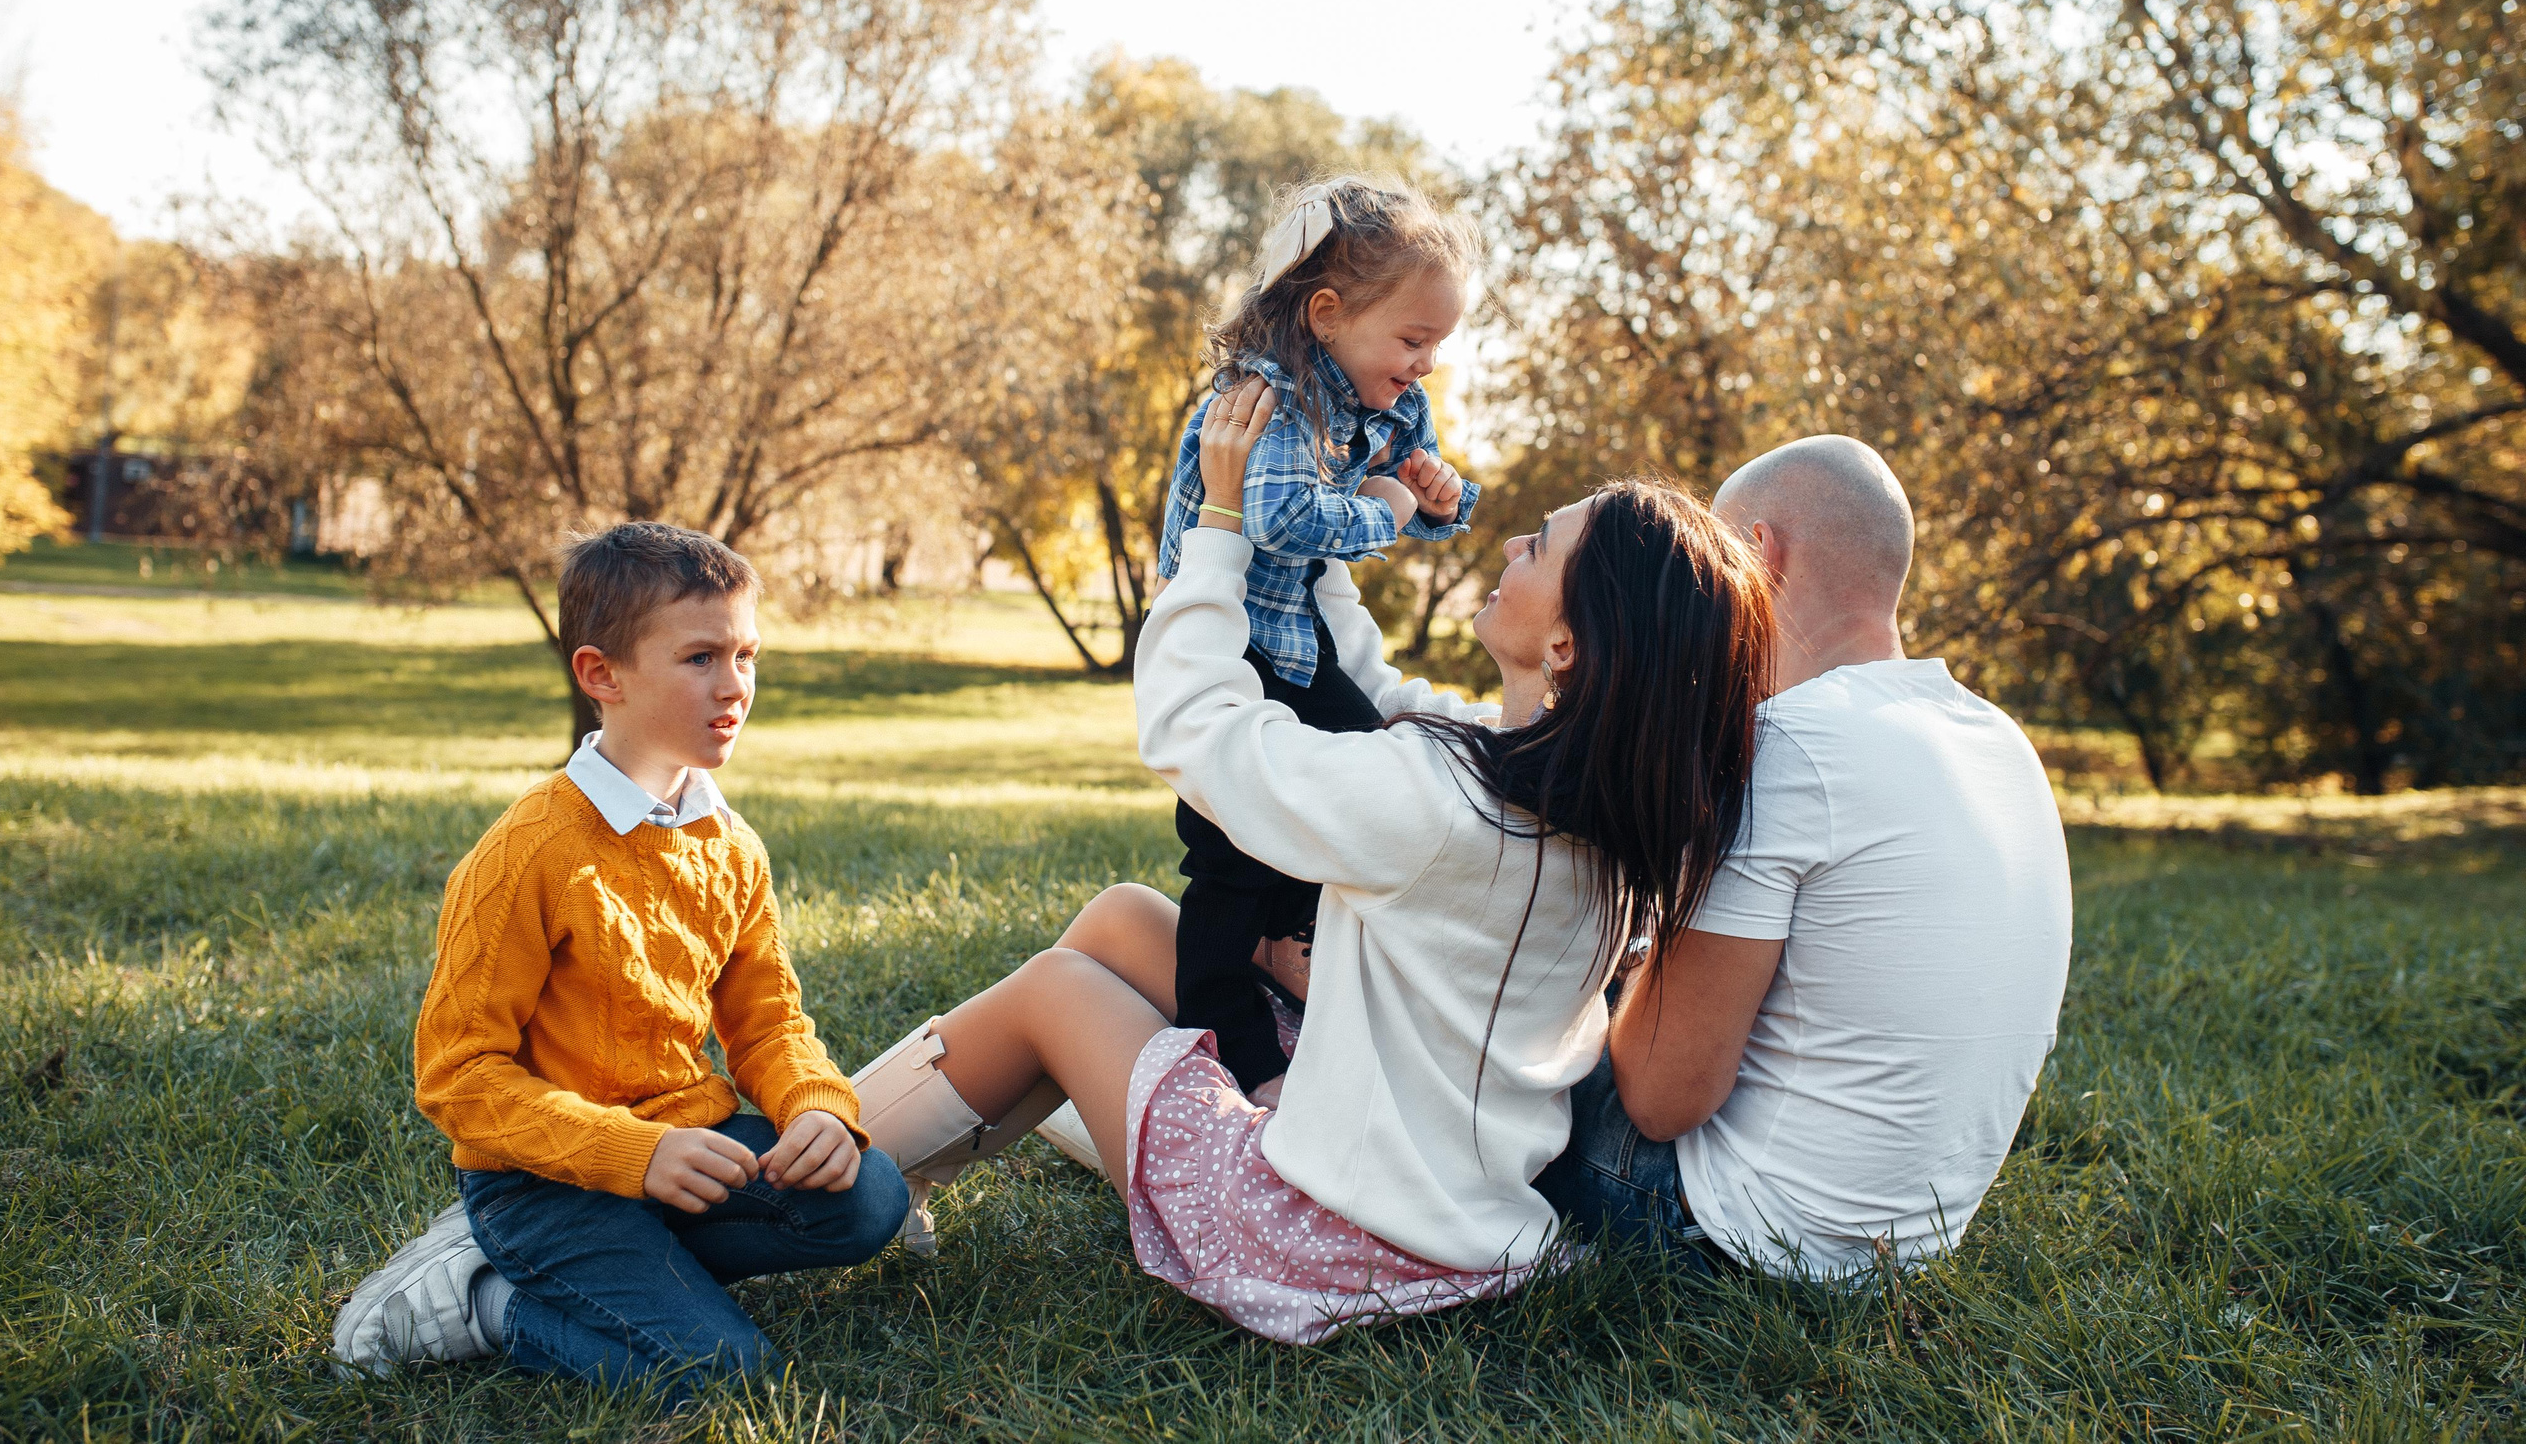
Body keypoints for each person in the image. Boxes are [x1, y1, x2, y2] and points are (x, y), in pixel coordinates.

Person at [847, 377, 1774, 1343]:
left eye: (1538, 546)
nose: (1509, 546)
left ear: (1567, 642)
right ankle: (941, 1151)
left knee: (1055, 991)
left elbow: (1199, 733)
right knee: (1125, 917)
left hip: (1316, 1241)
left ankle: (818, 1163)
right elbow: (1371, 684)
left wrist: (1214, 528)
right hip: (1466, 1221)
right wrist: (1323, 545)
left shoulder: (1442, 796)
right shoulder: (1599, 810)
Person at [331, 523, 909, 1393]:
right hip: (543, 1185)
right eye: (701, 658)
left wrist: (816, 1107)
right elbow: (458, 1077)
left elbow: (769, 1022)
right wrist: (631, 1153)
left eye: (746, 654)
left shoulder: (731, 845)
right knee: (729, 1375)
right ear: (602, 674)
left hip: (686, 1147)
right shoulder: (528, 851)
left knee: (871, 1195)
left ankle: (646, 1265)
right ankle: (485, 1298)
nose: (735, 686)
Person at [1532, 436, 2074, 1282]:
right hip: (1912, 1242)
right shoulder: (2000, 740)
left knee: (1506, 1028)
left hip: (1747, 1236)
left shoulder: (1790, 743)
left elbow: (1661, 1098)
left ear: (1757, 554)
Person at [1154, 175, 1483, 1106]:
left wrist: (1438, 496)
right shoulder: (1276, 399)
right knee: (1226, 846)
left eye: (1437, 346)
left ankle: (1291, 931)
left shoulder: (1382, 396)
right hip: (1227, 643)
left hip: (1297, 640)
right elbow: (1286, 517)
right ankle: (1233, 1041)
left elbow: (1404, 481)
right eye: (1413, 340)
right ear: (1330, 313)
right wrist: (1384, 507)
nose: (1424, 365)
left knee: (1366, 765)